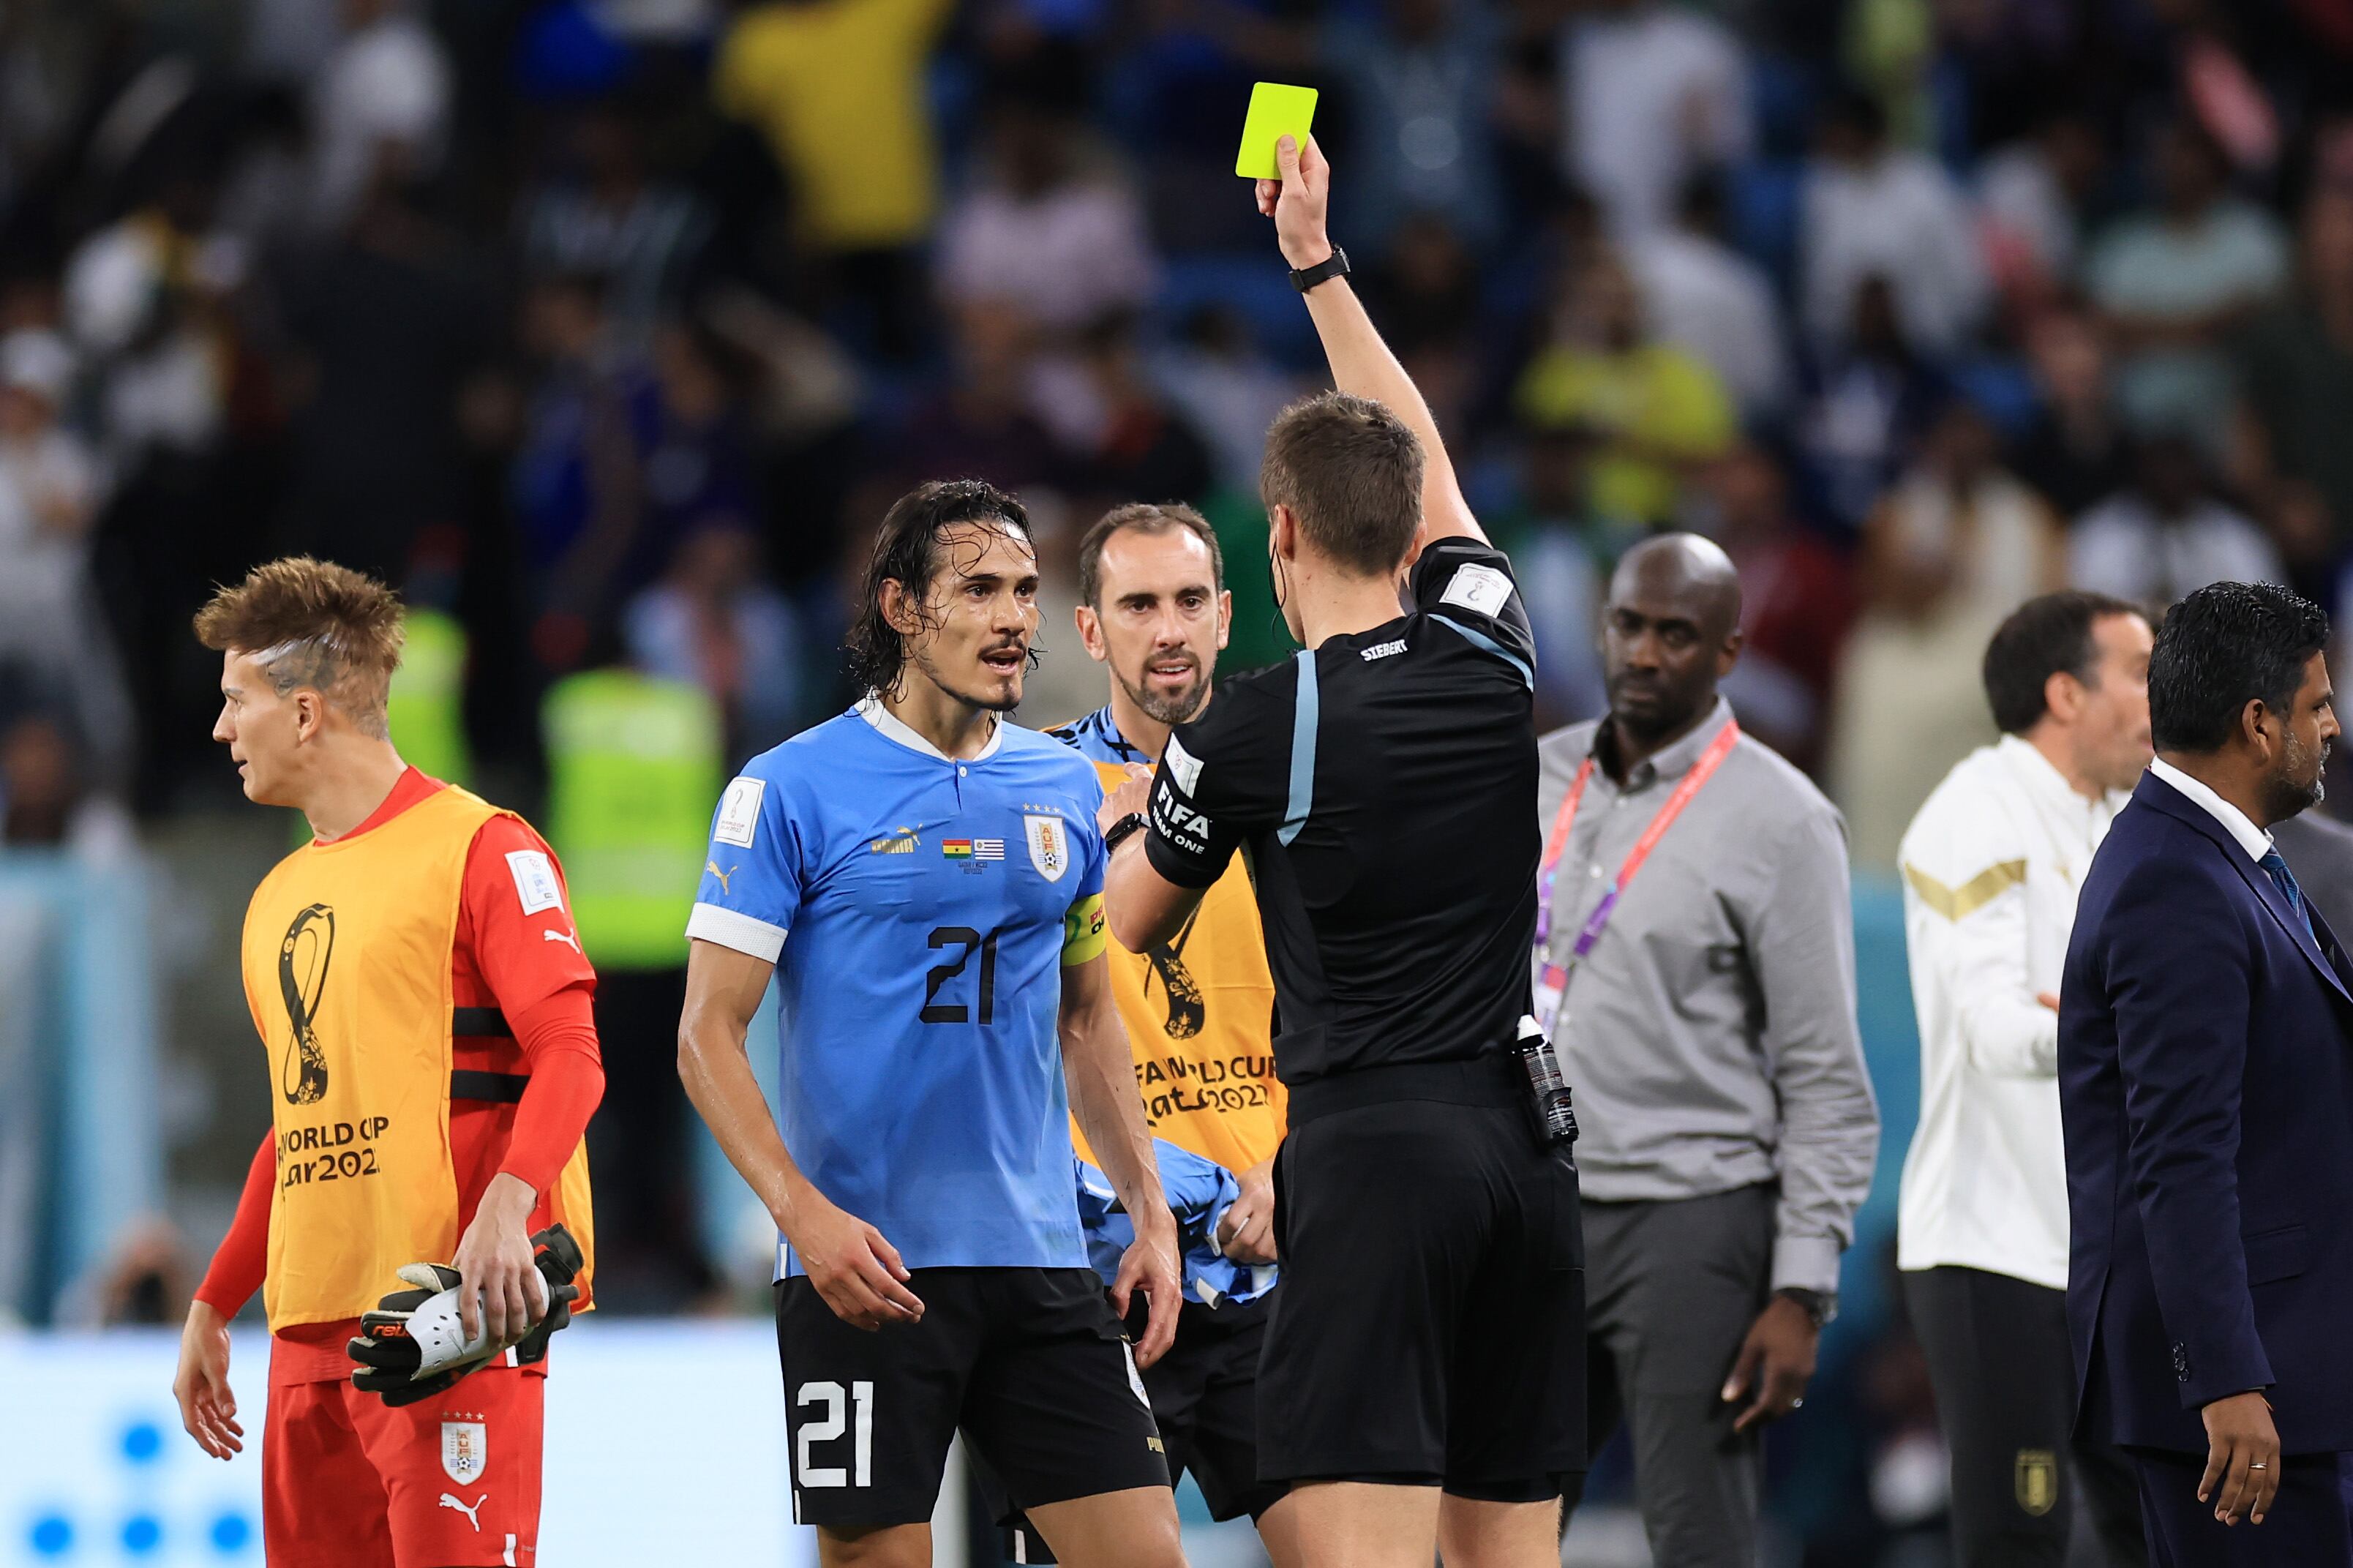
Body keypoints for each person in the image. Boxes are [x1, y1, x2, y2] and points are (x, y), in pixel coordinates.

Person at [1100, 134, 1582, 1568]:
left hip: (1373, 1160)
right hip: (1530, 1156)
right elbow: (1422, 460)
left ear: (1282, 534)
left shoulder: (1251, 726)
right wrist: (1318, 264)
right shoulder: (1495, 642)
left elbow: (1124, 926)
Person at [673, 479, 1186, 1568]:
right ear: (905, 609)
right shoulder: (789, 789)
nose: (1015, 620)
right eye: (981, 589)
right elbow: (705, 1036)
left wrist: (1149, 1208)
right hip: (864, 1272)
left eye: (1027, 591)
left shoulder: (1062, 787)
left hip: (1043, 1263)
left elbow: (1088, 1019)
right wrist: (800, 1218)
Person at [171, 558, 603, 1568]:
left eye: (238, 702)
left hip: (446, 1320)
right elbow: (299, 1124)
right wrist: (211, 1301)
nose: (222, 730)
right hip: (309, 1341)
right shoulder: (277, 895)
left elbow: (572, 1057)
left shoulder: (487, 849)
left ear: (308, 711)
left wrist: (505, 1209)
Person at [1539, 533, 1879, 1567]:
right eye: (1630, 626)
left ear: (1729, 651)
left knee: (1698, 1540)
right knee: (1490, 1530)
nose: (1645, 654)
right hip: (1538, 1209)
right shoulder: (1541, 777)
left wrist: (1799, 1291)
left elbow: (1826, 1077)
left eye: (1677, 635)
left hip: (1694, 1223)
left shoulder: (1784, 821)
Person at [983, 501, 1297, 1565]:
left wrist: (1295, 1168)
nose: (1167, 629)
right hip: (1098, 1274)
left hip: (1276, 1256)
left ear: (1224, 616)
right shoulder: (1029, 795)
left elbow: (1358, 999)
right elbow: (1007, 1027)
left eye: (1188, 601)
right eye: (1139, 604)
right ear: (1089, 629)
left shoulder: (1301, 793)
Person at [2061, 581, 2353, 1564]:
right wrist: (2226, 1381)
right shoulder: (2172, 883)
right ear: (2259, 724)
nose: (2335, 728)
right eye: (2318, 706)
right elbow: (2181, 1158)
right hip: (2243, 1404)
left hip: (2288, 1373)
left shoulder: (2226, 860)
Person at [1896, 591, 2154, 1568]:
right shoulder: (1978, 808)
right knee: (2022, 1534)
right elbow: (1994, 1024)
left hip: (2105, 1250)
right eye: (2137, 670)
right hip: (1995, 1249)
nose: (2159, 691)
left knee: (2148, 1527)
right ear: (2064, 694)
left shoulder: (2123, 820)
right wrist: (2116, 1028)